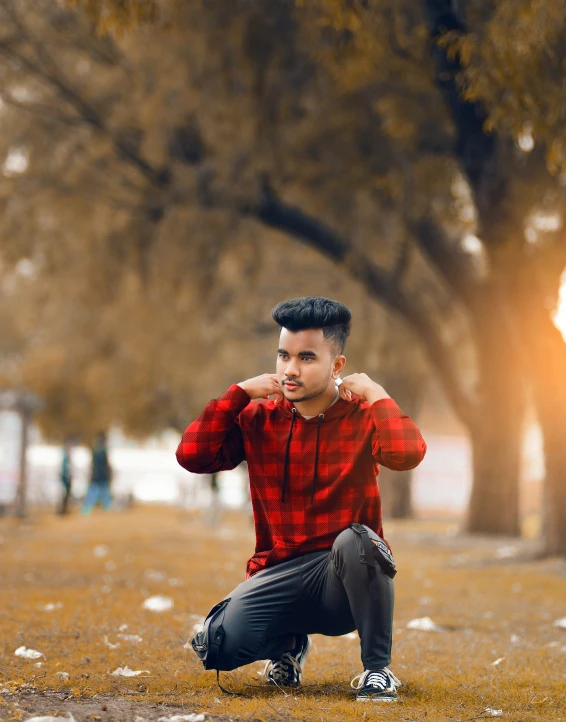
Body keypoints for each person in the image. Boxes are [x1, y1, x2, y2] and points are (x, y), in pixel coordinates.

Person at [176, 297, 426, 702]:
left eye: (306, 357)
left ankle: (378, 671)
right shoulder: (258, 419)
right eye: (283, 356)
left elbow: (407, 453)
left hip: (340, 581)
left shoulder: (362, 416)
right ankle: (288, 646)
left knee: (357, 540)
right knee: (217, 645)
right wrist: (237, 393)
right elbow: (192, 456)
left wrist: (377, 394)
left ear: (337, 365)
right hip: (276, 572)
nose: (290, 370)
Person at [81, 431, 113, 514]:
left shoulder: (97, 450)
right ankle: (86, 510)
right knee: (97, 495)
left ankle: (87, 510)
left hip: (98, 477)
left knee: (102, 495)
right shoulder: (100, 451)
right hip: (98, 477)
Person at [58, 438, 73, 515]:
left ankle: (64, 509)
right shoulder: (65, 458)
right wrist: (67, 476)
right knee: (64, 494)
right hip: (65, 478)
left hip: (65, 477)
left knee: (65, 494)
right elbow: (65, 469)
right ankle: (62, 510)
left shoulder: (66, 457)